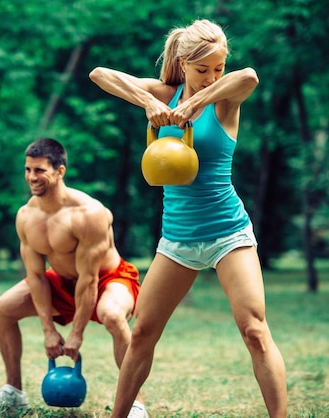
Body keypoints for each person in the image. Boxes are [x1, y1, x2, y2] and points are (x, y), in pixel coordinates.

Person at [89, 19, 287, 418]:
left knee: (254, 329)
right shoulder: (165, 94)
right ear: (182, 63)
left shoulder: (224, 100)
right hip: (177, 239)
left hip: (228, 233)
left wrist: (196, 103)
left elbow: (248, 77)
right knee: (142, 331)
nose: (212, 76)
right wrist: (149, 102)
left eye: (218, 68)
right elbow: (99, 74)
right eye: (202, 70)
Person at [0, 138, 148, 417]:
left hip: (108, 278)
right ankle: (14, 392)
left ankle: (135, 405)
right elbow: (35, 276)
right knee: (1, 309)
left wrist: (76, 333)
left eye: (40, 170)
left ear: (60, 171)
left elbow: (89, 279)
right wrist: (48, 330)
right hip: (61, 280)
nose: (32, 177)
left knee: (113, 316)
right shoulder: (25, 216)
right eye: (28, 170)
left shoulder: (89, 214)